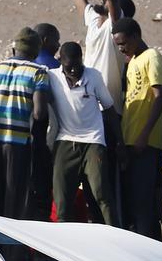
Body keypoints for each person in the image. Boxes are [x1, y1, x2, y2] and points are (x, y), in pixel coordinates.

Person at [0, 28, 50, 222]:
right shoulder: (39, 73)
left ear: (14, 49)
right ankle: (12, 252)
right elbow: (39, 112)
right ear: (35, 52)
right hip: (19, 148)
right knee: (16, 205)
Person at [49, 42, 122, 225]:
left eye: (77, 64)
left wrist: (120, 142)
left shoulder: (94, 76)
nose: (73, 69)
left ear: (82, 59)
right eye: (68, 66)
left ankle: (116, 236)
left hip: (93, 141)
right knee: (62, 198)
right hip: (65, 140)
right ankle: (62, 247)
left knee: (101, 193)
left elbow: (109, 109)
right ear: (60, 62)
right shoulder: (52, 77)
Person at [113, 18, 162, 238]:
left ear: (136, 36)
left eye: (124, 43)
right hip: (130, 141)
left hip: (146, 142)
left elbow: (159, 97)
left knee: (144, 202)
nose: (121, 48)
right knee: (131, 200)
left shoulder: (151, 57)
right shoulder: (132, 60)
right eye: (118, 45)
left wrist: (144, 134)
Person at [29, 23, 61, 221]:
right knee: (43, 195)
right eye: (56, 40)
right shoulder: (54, 68)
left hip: (21, 141)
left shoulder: (24, 66)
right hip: (46, 142)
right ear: (46, 40)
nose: (58, 45)